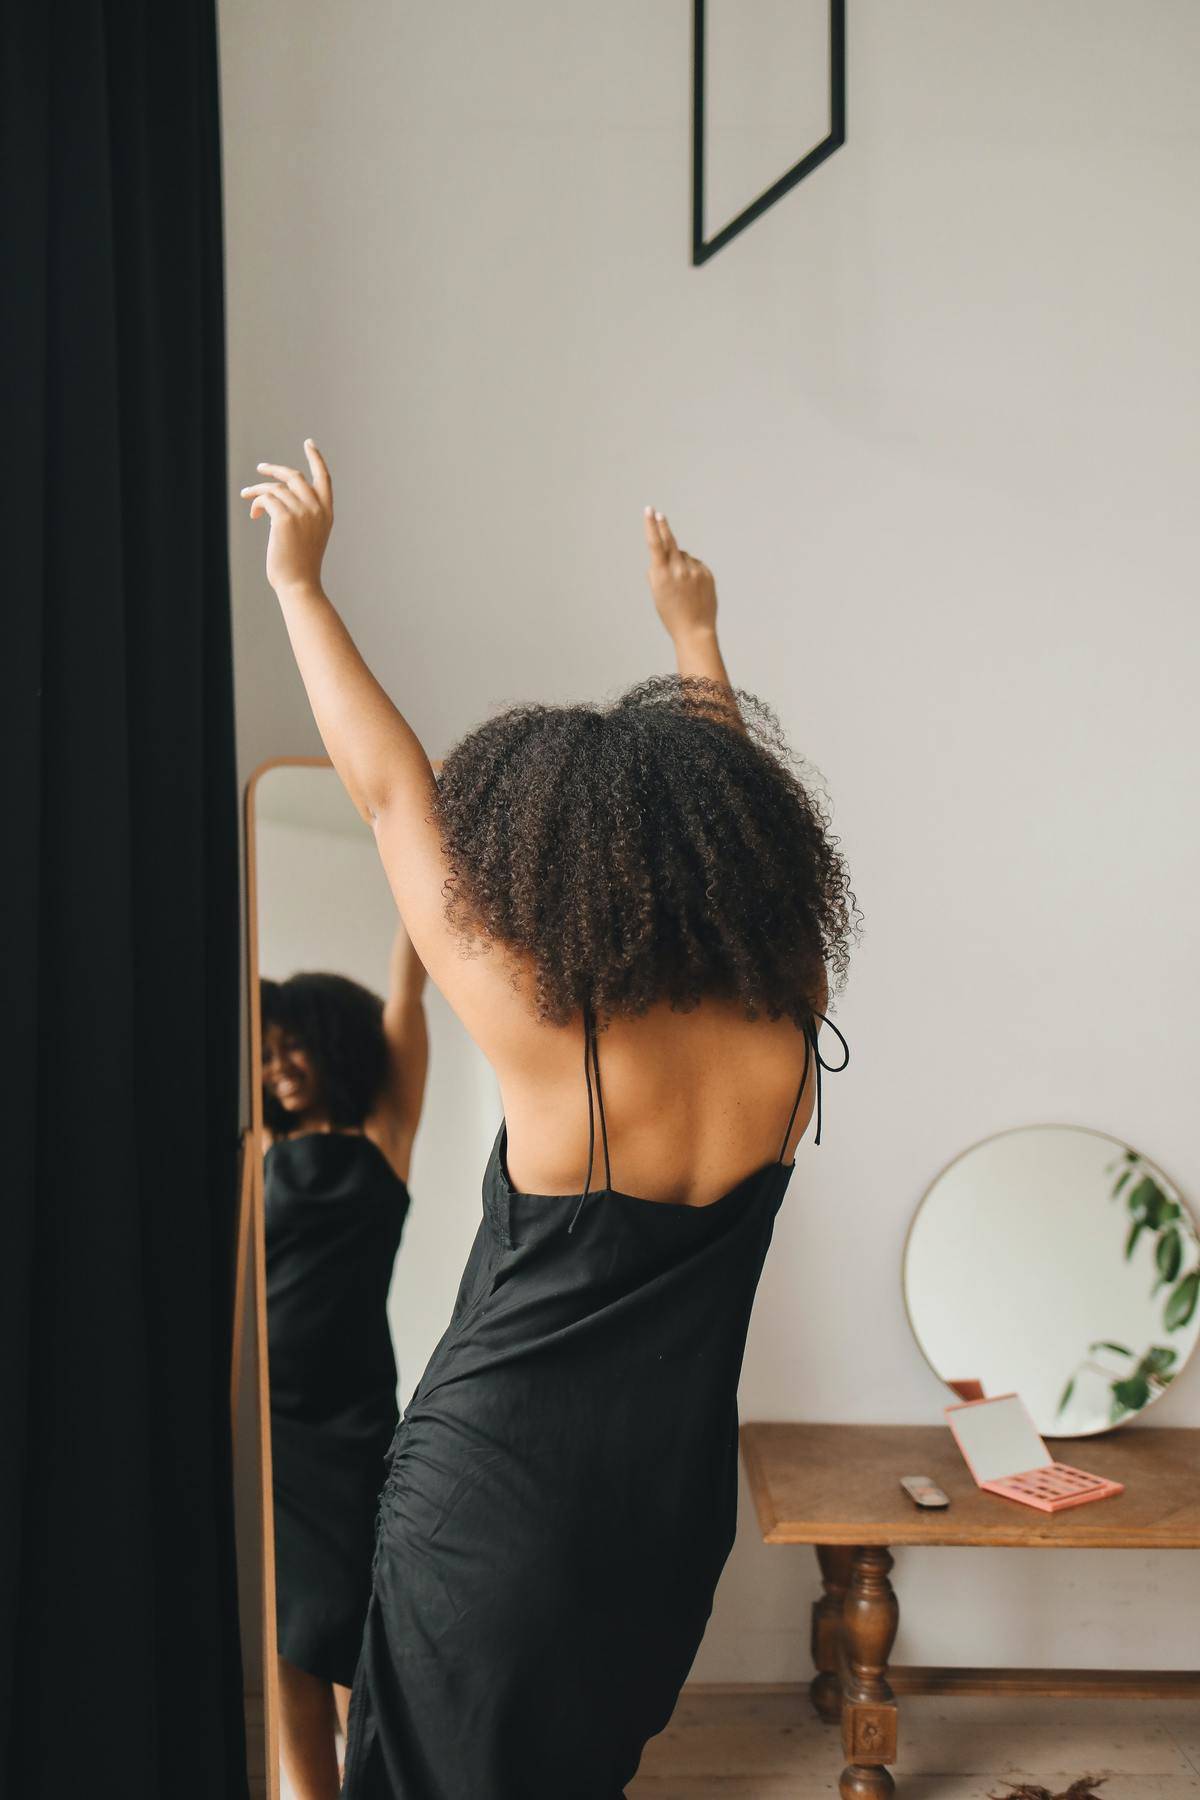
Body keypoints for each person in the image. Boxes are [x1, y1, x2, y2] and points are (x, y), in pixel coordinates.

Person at [242, 443, 854, 1798]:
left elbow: (394, 790)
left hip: (497, 1500)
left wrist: (301, 587)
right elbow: (762, 869)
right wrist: (698, 638)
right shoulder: (790, 1028)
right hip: (665, 1515)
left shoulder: (548, 1030)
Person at [261, 926, 428, 1800]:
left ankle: (375, 1780)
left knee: (359, 1620)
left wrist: (424, 872)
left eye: (294, 1046)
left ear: (333, 1044)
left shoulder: (382, 1134)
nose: (280, 1065)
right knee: (292, 1629)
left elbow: (407, 995)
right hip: (266, 1420)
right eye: (267, 1053)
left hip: (353, 1413)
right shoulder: (255, 1152)